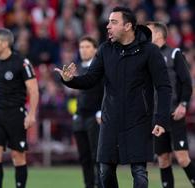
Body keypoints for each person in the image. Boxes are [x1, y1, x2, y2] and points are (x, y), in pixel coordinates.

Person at [55, 6, 172, 188]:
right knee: (105, 170)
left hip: (139, 119)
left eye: (113, 22)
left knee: (139, 172)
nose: (108, 26)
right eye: (108, 21)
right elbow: (90, 79)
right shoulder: (105, 50)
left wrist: (162, 119)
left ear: (128, 26)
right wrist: (69, 80)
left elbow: (164, 87)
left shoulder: (150, 51)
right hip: (110, 120)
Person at [0, 28, 39, 188]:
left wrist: (31, 114)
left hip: (16, 114)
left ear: (5, 43)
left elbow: (33, 90)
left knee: (18, 156)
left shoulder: (22, 62)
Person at [146, 22, 195, 188]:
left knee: (182, 158)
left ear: (159, 34)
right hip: (157, 116)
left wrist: (183, 104)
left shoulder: (174, 53)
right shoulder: (148, 57)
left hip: (174, 113)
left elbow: (187, 83)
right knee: (163, 159)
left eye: (149, 31)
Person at [73, 36, 113, 188]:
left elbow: (106, 91)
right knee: (84, 157)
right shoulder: (79, 67)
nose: (83, 50)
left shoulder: (100, 69)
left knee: (96, 155)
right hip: (80, 117)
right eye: (81, 47)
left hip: (94, 117)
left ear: (95, 49)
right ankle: (88, 185)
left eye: (87, 47)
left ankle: (100, 184)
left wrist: (101, 111)